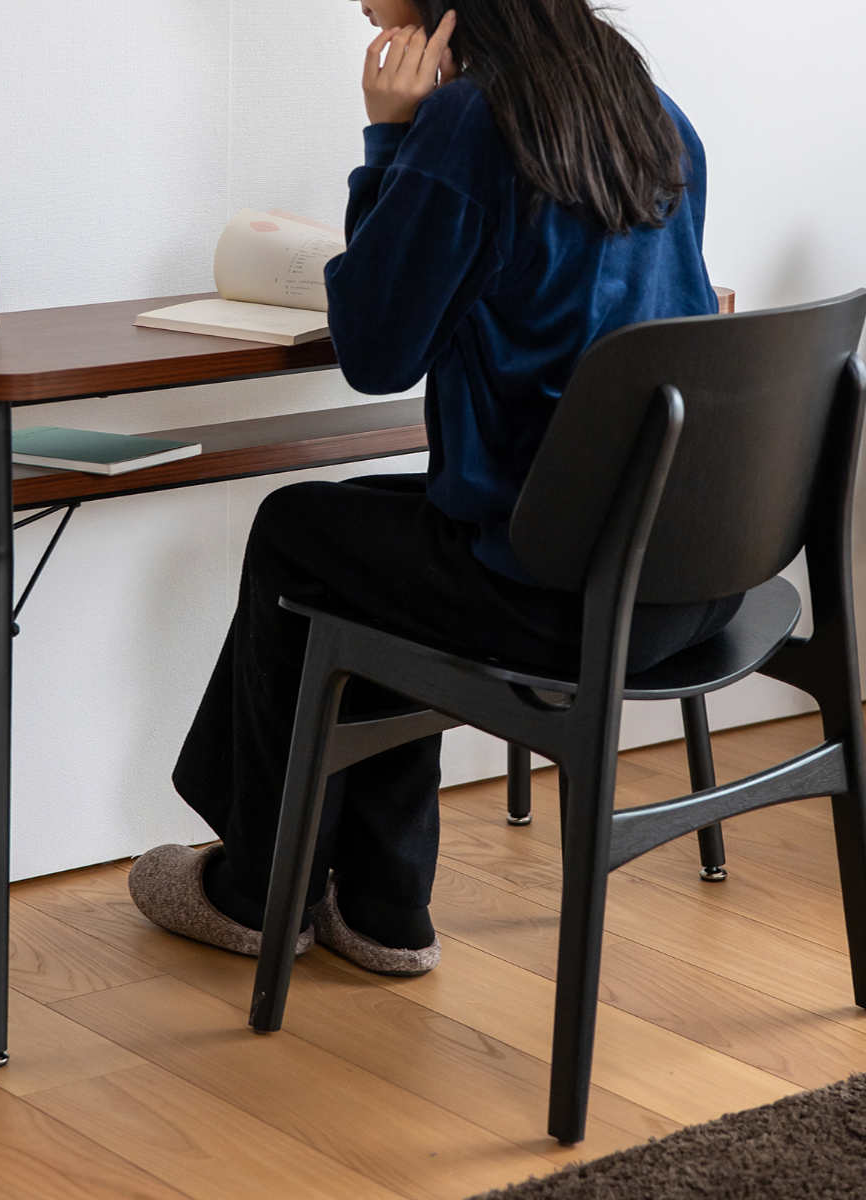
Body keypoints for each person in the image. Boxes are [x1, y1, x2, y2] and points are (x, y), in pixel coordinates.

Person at [128, 0, 740, 974]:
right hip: (691, 570)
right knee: (374, 543)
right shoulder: (644, 106)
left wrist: (390, 138)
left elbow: (376, 353)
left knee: (297, 532)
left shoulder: (470, 119)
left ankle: (260, 891)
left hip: (562, 589)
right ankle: (380, 909)